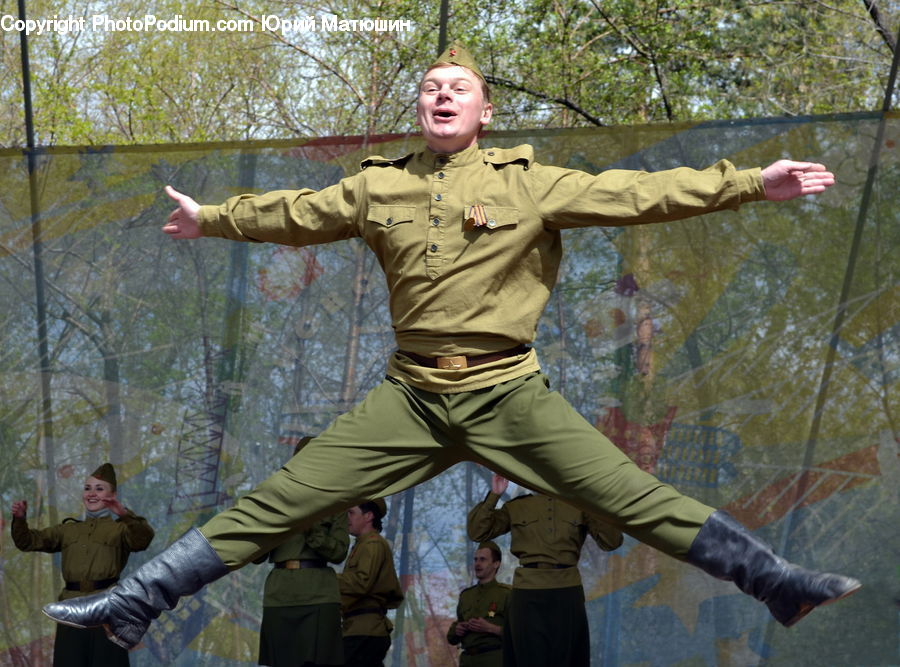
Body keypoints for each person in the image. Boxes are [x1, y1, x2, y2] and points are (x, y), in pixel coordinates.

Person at [44, 42, 860, 654]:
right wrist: (210, 217)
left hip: (512, 394)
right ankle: (134, 603)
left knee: (632, 496)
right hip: (410, 398)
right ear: (421, 107)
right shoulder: (379, 184)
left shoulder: (528, 180)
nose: (441, 96)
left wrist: (755, 181)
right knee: (280, 500)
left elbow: (642, 194)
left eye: (458, 88)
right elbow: (295, 211)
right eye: (431, 88)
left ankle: (777, 583)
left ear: (485, 110)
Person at [468, 474, 622, 666]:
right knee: (526, 659)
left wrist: (594, 501)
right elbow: (477, 531)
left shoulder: (581, 504)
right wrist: (495, 494)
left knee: (569, 659)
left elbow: (612, 541)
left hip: (567, 590)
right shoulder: (517, 506)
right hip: (527, 593)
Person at [11, 463, 154, 665]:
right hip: (71, 609)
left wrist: (123, 513)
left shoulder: (120, 529)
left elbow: (143, 539)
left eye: (99, 488)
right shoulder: (67, 530)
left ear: (112, 494)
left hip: (108, 608)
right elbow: (28, 542)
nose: (92, 493)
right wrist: (19, 519)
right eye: (87, 488)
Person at [255, 437, 350, 667]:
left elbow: (338, 552)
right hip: (280, 595)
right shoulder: (275, 497)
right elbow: (256, 555)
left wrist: (312, 528)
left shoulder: (336, 500)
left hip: (319, 595)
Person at [339, 498, 404, 667]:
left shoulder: (372, 543)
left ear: (368, 516)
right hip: (359, 629)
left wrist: (327, 578)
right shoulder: (362, 545)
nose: (347, 518)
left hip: (364, 631)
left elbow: (362, 582)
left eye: (351, 512)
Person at [447, 540, 511, 666]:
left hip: (493, 660)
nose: (477, 564)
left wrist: (490, 628)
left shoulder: (507, 594)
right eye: (475, 559)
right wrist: (457, 630)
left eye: (483, 559)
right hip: (467, 660)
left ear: (496, 564)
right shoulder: (466, 595)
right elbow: (451, 638)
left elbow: (520, 635)